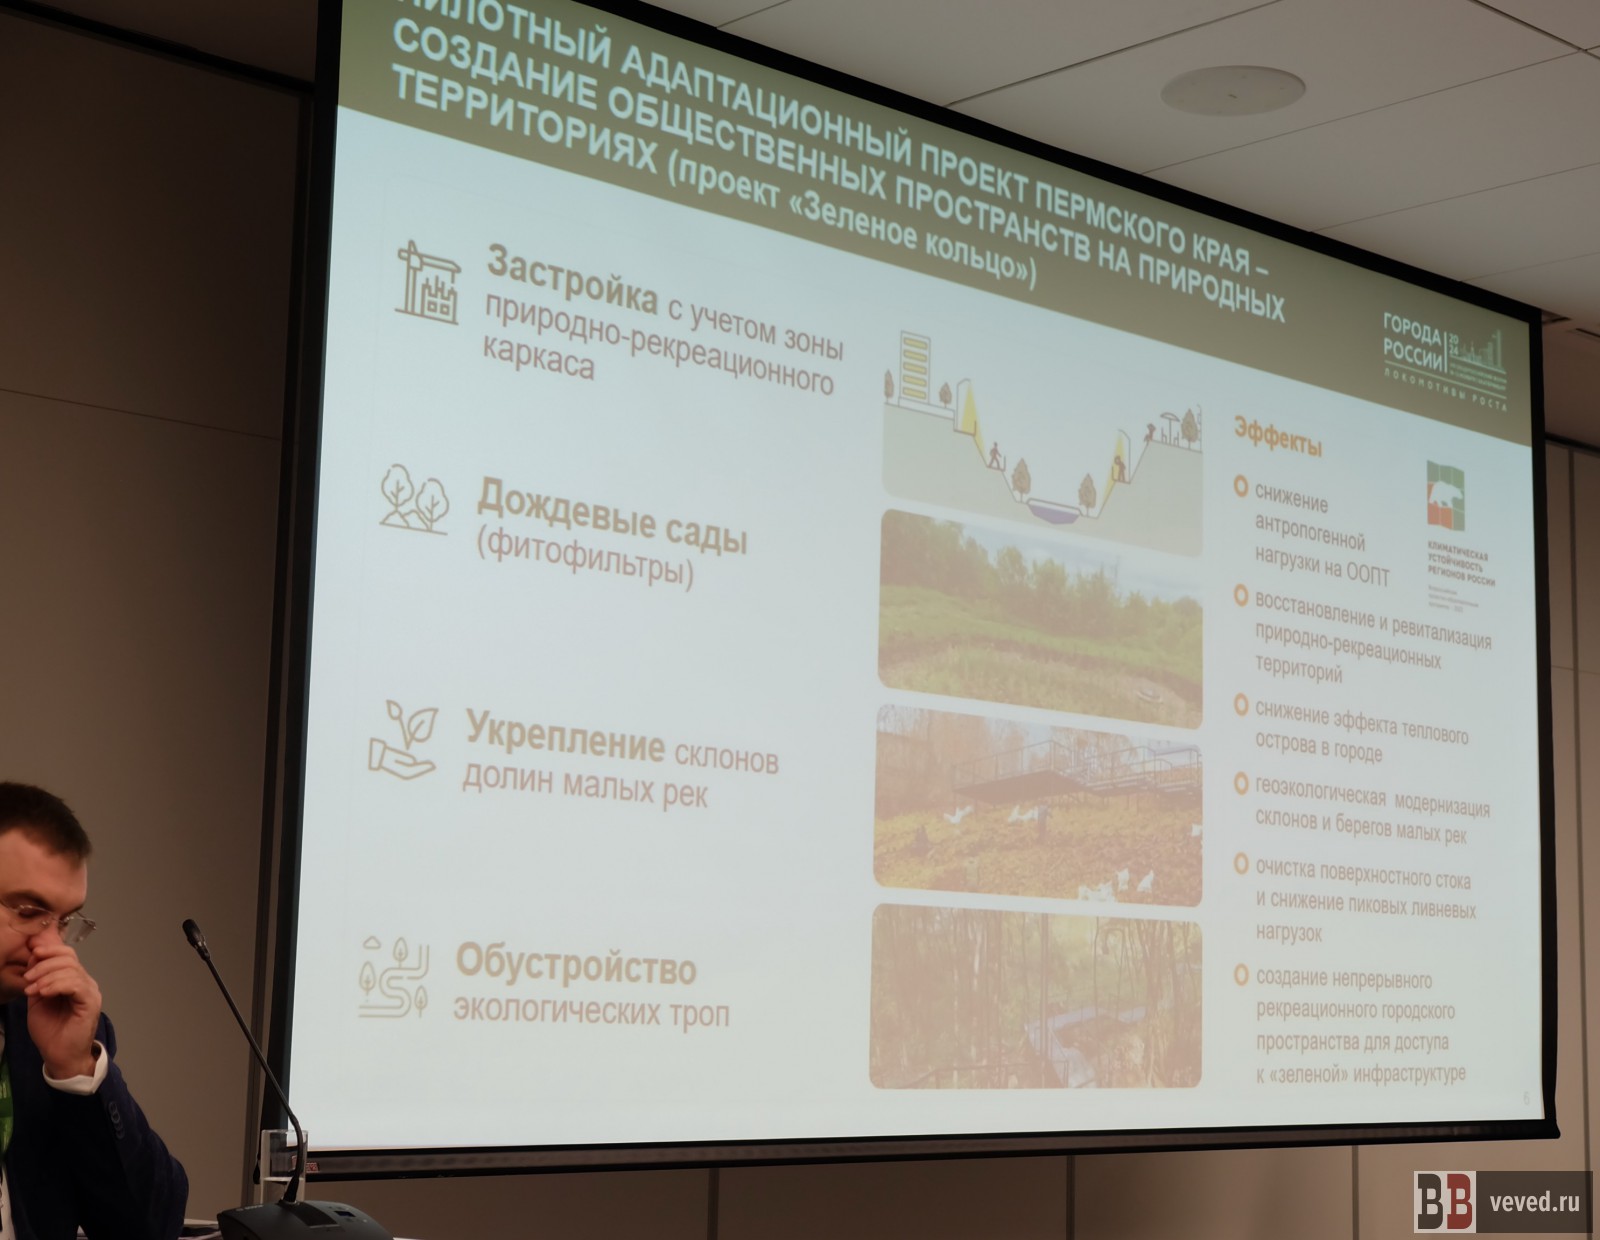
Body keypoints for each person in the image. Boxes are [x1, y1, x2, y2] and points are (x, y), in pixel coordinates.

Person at [0, 781, 187, 1240]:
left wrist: (76, 1071)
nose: (51, 945)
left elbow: (150, 1228)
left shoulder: (50, 1028)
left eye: (65, 921)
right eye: (29, 912)